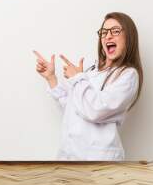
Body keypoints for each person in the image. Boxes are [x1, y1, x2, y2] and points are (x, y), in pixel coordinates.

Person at [33, 12, 143, 161]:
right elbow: (74, 106)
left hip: (98, 159)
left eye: (115, 31)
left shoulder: (128, 75)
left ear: (129, 37)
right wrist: (51, 78)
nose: (108, 36)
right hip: (69, 153)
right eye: (104, 32)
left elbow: (97, 109)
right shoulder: (92, 70)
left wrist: (77, 78)